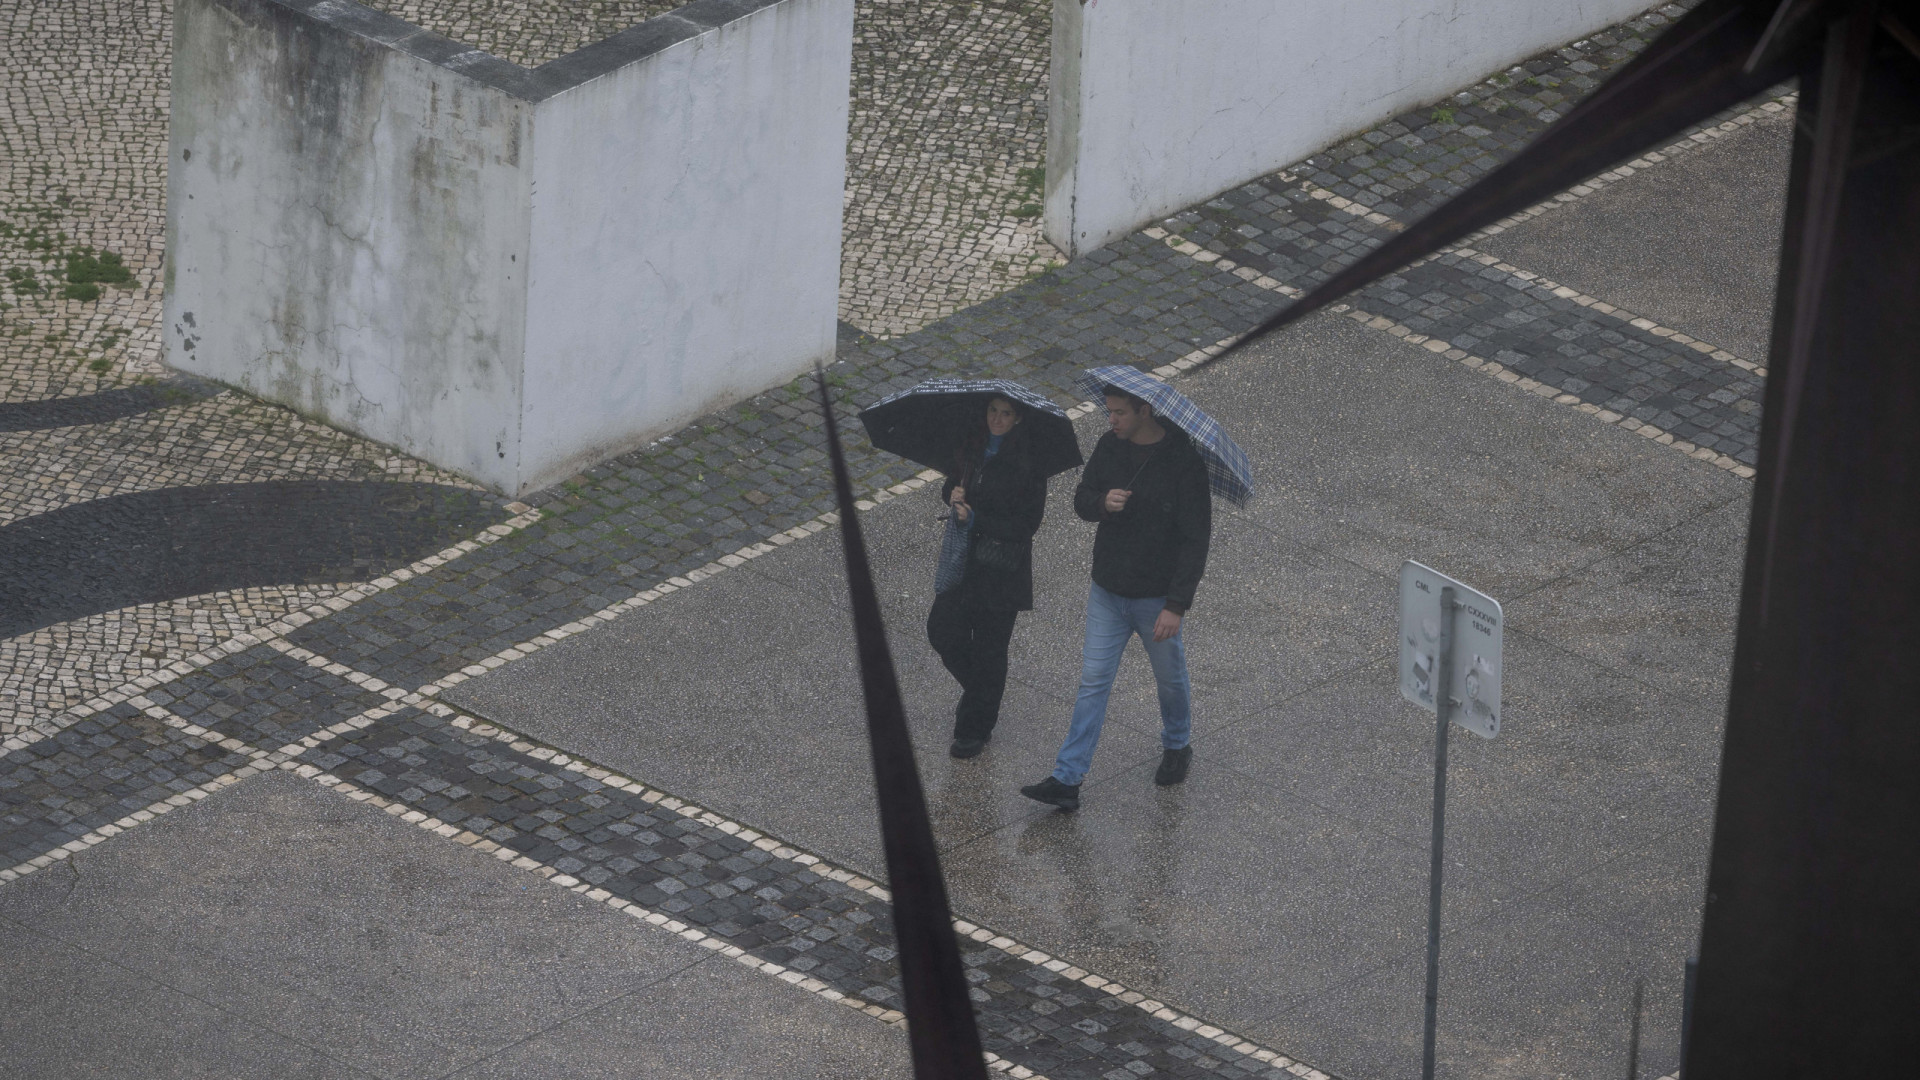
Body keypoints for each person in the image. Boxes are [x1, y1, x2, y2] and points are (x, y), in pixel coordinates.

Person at [1021, 384, 1211, 811]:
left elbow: (1195, 540)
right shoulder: (1110, 446)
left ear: (1145, 411)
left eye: (1120, 413)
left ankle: (1177, 744)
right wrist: (1103, 503)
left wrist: (1176, 605)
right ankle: (1067, 779)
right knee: (1093, 683)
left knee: (1169, 679)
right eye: (1109, 412)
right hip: (1107, 590)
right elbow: (1081, 500)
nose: (1111, 420)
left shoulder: (1184, 462)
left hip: (1155, 599)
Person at [927, 395, 1049, 758]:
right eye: (993, 411)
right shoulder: (972, 447)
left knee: (990, 649)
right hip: (965, 562)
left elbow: (1027, 525)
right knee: (942, 631)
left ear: (1018, 419)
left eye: (1005, 413)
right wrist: (953, 494)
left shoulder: (1029, 463)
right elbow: (950, 486)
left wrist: (977, 519)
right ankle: (982, 694)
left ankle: (974, 727)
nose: (997, 419)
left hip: (1001, 569)